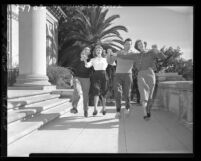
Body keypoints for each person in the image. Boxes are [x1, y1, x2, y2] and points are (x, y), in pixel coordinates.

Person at [116, 40, 167, 120]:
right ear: (137, 47)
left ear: (145, 44)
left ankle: (148, 110)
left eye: (141, 44)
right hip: (140, 75)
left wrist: (157, 50)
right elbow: (124, 56)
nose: (140, 45)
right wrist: (115, 54)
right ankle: (144, 113)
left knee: (150, 95)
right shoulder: (136, 55)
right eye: (138, 45)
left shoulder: (151, 52)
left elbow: (163, 57)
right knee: (143, 93)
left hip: (150, 73)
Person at [107, 38, 134, 119]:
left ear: (131, 45)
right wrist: (109, 54)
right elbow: (110, 61)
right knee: (118, 93)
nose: (128, 45)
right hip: (118, 75)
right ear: (123, 45)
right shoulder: (118, 52)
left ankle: (127, 107)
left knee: (127, 93)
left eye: (130, 44)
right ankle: (118, 111)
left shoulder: (133, 54)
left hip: (128, 75)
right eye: (126, 44)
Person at [84, 44, 109, 116]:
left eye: (99, 50)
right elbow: (87, 66)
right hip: (96, 76)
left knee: (104, 93)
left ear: (102, 51)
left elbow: (112, 63)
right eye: (97, 50)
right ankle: (95, 109)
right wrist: (85, 60)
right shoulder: (93, 59)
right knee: (96, 92)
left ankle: (104, 108)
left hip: (104, 75)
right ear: (95, 51)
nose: (98, 51)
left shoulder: (106, 59)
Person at [70, 46, 92, 118]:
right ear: (83, 51)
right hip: (77, 78)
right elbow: (72, 68)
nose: (86, 51)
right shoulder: (77, 59)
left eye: (88, 50)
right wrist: (71, 77)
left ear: (89, 53)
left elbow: (91, 69)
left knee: (86, 95)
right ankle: (74, 107)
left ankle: (85, 110)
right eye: (85, 49)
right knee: (77, 91)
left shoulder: (90, 60)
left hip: (86, 79)